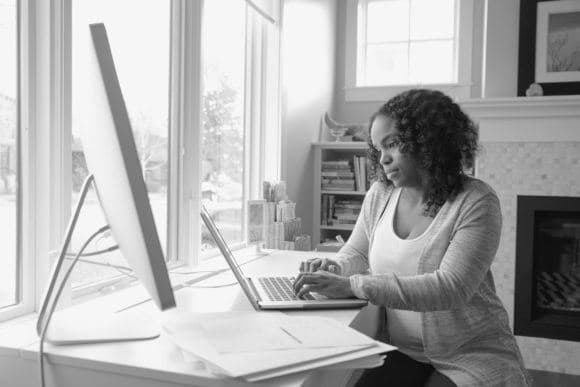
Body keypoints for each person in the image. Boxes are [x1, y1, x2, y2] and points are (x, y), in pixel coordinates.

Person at [293, 89, 530, 386]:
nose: (383, 159)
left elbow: (451, 288)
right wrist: (334, 268)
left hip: (470, 351)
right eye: (378, 149)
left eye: (392, 144)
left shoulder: (476, 201)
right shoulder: (381, 194)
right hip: (400, 349)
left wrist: (353, 286)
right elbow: (357, 251)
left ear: (427, 140)